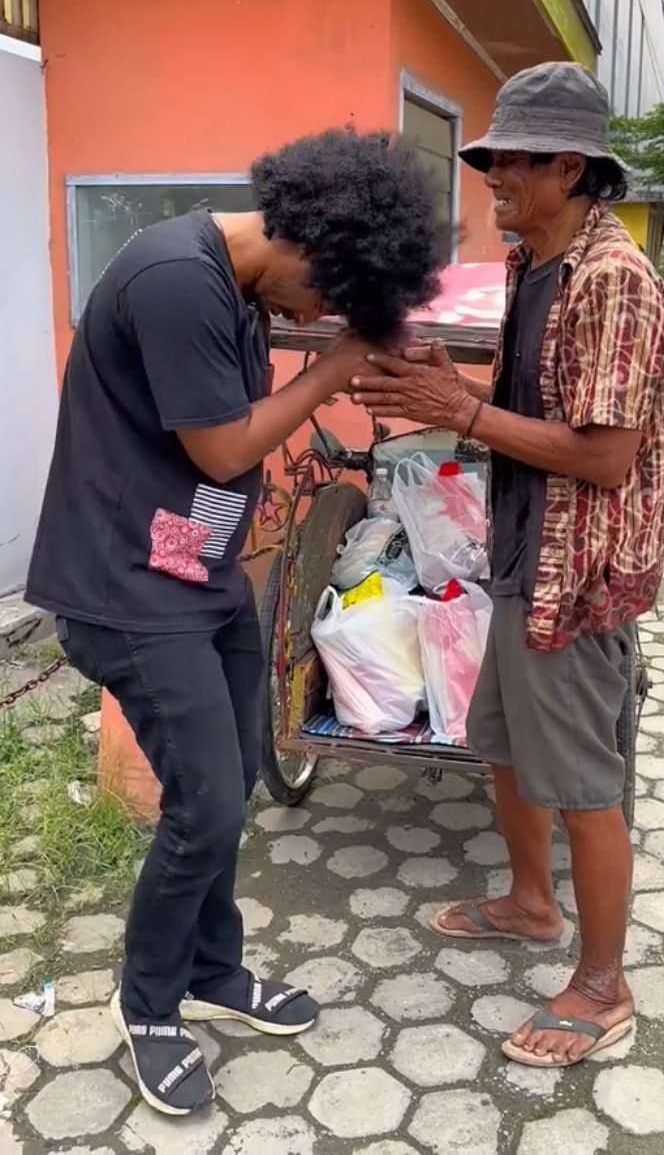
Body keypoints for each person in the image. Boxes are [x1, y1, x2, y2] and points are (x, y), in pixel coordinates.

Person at [26, 128, 446, 1116]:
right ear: (310, 249)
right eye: (330, 296)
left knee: (235, 781)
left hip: (199, 577)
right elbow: (220, 452)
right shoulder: (176, 280)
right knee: (205, 804)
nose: (318, 316)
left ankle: (215, 970)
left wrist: (359, 351)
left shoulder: (239, 284)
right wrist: (336, 367)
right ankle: (150, 1005)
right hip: (130, 590)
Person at [351, 63, 664, 1068]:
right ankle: (532, 905)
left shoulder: (613, 282)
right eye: (488, 157)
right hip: (521, 552)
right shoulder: (538, 264)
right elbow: (535, 396)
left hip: (577, 578)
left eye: (513, 161)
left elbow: (605, 454)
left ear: (570, 165)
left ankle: (602, 984)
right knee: (498, 742)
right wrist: (463, 388)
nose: (492, 175)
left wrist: (463, 415)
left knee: (585, 784)